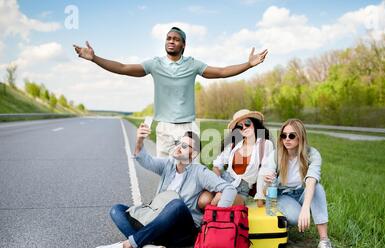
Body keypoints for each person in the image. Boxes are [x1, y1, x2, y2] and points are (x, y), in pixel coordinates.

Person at [74, 27, 268, 157]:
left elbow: (222, 72)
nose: (171, 41)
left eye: (176, 39)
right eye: (168, 38)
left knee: (189, 174)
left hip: (188, 127)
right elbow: (123, 67)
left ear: (183, 44)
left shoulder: (193, 64)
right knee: (167, 173)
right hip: (165, 128)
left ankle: (188, 214)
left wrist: (248, 65)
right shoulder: (155, 64)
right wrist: (94, 58)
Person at [91, 126, 237, 248]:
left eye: (185, 146)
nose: (179, 147)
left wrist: (218, 220)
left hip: (183, 230)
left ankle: (129, 246)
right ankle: (148, 245)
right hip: (158, 220)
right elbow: (144, 160)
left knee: (176, 204)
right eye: (179, 143)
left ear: (194, 154)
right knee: (117, 210)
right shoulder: (168, 165)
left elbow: (229, 189)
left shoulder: (200, 172)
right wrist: (140, 141)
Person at [258, 119, 336, 248]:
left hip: (302, 193)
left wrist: (306, 208)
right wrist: (269, 181)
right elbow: (266, 190)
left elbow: (312, 179)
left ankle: (324, 241)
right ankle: (284, 226)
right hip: (282, 195)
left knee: (317, 188)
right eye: (284, 135)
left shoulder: (312, 154)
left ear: (300, 137)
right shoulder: (276, 155)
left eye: (292, 136)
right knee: (294, 217)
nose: (287, 139)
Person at [198, 109, 274, 209]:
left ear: (254, 123)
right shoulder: (234, 144)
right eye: (240, 126)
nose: (244, 127)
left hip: (242, 190)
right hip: (223, 182)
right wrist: (218, 185)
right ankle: (207, 218)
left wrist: (260, 198)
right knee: (203, 201)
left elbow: (264, 172)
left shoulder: (265, 145)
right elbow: (217, 166)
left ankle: (211, 218)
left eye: (247, 123)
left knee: (221, 198)